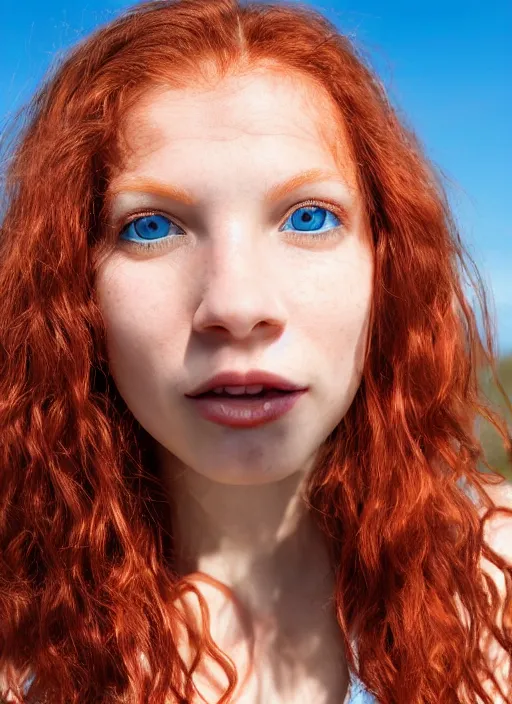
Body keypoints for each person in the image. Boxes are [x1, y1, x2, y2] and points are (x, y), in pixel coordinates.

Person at [0, 0, 511, 702]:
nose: (237, 307)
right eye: (151, 227)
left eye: (308, 218)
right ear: (70, 286)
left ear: (387, 264)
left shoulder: (498, 584)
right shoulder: (25, 652)